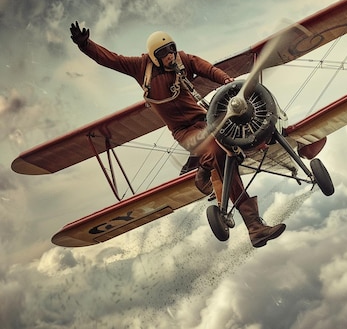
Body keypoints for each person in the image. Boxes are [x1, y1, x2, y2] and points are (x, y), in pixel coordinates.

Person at [69, 21, 285, 248]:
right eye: (164, 53)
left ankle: (239, 209)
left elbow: (207, 69)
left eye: (172, 49)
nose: (170, 55)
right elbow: (110, 59)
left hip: (206, 121)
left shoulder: (183, 59)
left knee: (229, 152)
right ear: (154, 56)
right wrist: (85, 45)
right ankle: (249, 221)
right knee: (217, 152)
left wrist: (227, 81)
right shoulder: (139, 67)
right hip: (185, 132)